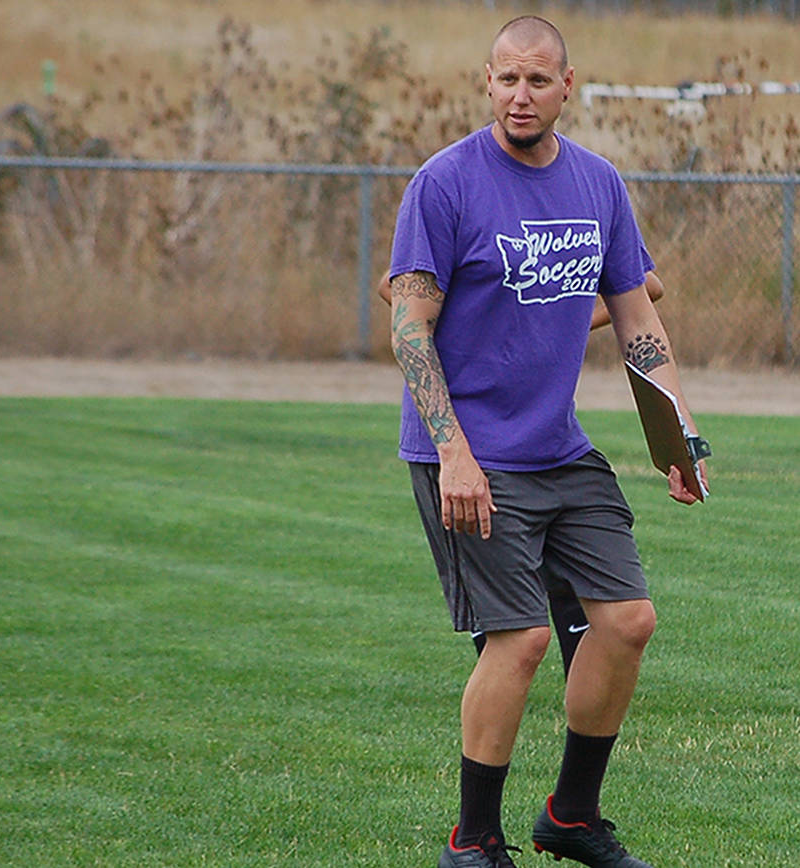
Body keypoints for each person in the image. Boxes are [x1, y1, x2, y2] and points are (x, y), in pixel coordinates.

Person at [387, 16, 706, 868]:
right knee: (523, 637)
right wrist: (452, 452)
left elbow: (638, 313)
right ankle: (473, 839)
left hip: (558, 449)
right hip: (470, 453)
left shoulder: (599, 185)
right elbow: (410, 331)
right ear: (484, 82)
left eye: (536, 81)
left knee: (627, 621)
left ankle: (570, 817)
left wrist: (676, 432)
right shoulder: (445, 184)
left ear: (570, 85)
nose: (519, 96)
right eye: (505, 80)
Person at [376, 266, 665, 677]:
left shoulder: (585, 208)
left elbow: (647, 287)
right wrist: (486, 325)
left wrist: (556, 324)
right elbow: (395, 288)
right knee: (506, 592)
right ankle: (498, 648)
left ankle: (550, 660)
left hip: (544, 431)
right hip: (475, 430)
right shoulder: (459, 207)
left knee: (570, 574)